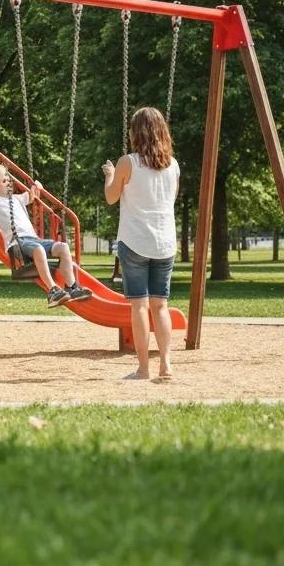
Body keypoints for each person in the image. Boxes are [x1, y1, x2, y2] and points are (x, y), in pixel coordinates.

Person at [102, 106, 179, 382]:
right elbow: (170, 200)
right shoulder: (173, 165)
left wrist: (110, 174)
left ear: (136, 133)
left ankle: (144, 369)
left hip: (135, 241)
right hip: (165, 242)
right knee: (161, 305)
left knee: (140, 306)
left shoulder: (128, 163)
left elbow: (111, 198)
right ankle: (166, 364)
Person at [0, 164, 92, 307]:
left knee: (63, 247)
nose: (8, 182)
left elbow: (31, 196)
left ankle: (72, 287)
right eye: (3, 181)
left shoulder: (16, 198)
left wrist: (37, 188)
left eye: (8, 179)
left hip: (33, 240)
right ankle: (53, 290)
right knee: (38, 249)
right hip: (18, 243)